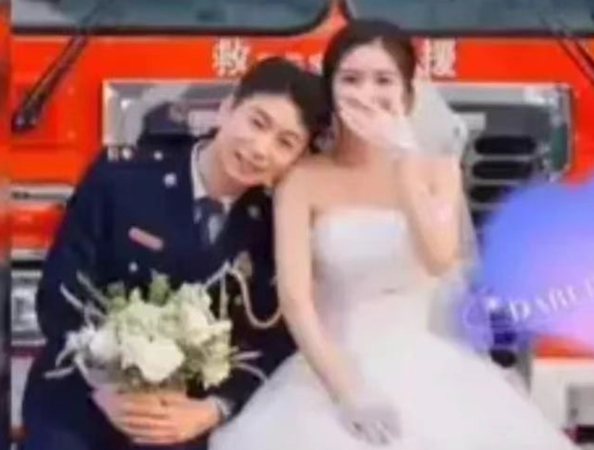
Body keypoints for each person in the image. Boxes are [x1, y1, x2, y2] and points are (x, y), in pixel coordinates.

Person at [209, 20, 578, 450]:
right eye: (351, 79)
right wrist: (347, 392)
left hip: (428, 368)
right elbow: (296, 300)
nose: (366, 93)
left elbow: (438, 258)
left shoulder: (438, 170)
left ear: (407, 92)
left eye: (383, 80)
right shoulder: (303, 179)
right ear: (331, 89)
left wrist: (405, 162)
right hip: (326, 372)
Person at [20, 57, 326, 450]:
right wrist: (106, 386)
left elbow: (273, 341)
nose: (260, 149)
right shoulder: (123, 179)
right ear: (227, 108)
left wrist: (214, 409)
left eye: (285, 143)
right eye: (257, 122)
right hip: (83, 400)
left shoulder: (275, 223)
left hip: (185, 418)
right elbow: (62, 294)